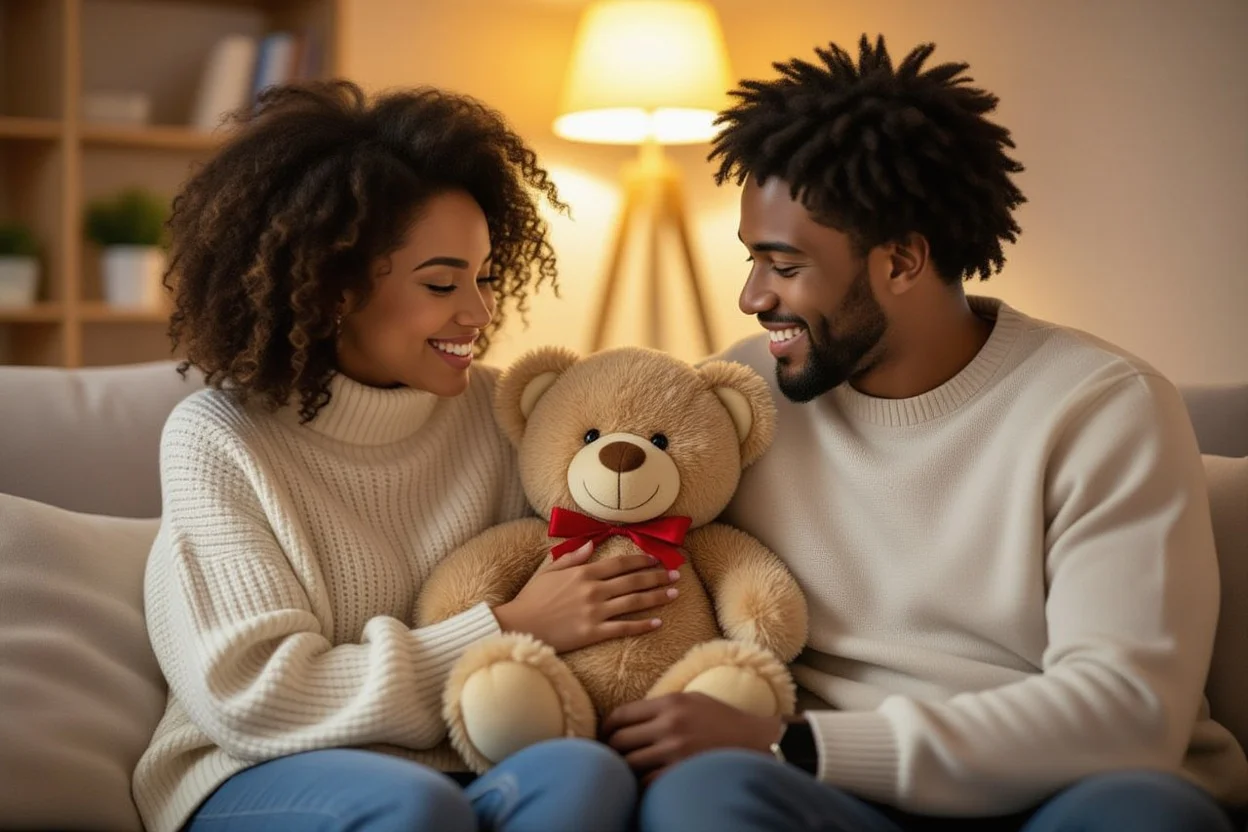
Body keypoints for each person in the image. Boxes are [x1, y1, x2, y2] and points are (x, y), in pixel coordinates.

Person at [604, 35, 1248, 831]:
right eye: (752, 261)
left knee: (1144, 814)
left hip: (1059, 793)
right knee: (701, 795)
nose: (752, 297)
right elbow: (594, 505)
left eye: (785, 266)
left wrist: (793, 743)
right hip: (835, 798)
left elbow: (1127, 712)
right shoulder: (743, 393)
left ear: (903, 261)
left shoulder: (1102, 407)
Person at [132, 80, 676, 832]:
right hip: (254, 772)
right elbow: (255, 699)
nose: (479, 311)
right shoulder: (219, 437)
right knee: (414, 807)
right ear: (332, 289)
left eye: (484, 277)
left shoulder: (502, 412)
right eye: (442, 283)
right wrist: (508, 625)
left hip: (468, 761)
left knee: (588, 774)